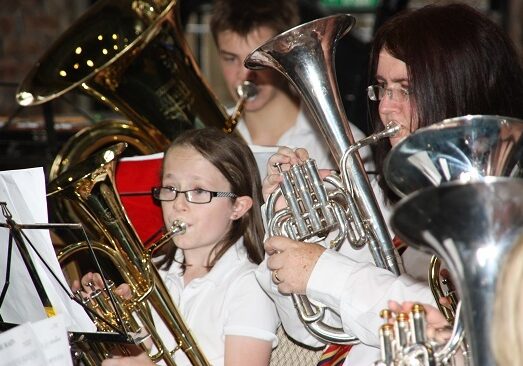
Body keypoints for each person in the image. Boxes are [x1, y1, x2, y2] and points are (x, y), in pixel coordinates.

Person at [255, 3, 523, 365]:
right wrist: (296, 237)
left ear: (458, 89)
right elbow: (314, 331)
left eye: (406, 89)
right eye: (382, 88)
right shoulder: (386, 202)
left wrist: (326, 271)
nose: (385, 109)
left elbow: (471, 326)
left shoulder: (509, 206)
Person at [75, 128, 279, 366]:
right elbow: (146, 353)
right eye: (170, 189)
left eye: (199, 190)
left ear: (238, 207)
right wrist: (116, 323)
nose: (178, 204)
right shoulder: (153, 273)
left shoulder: (250, 286)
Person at [209, 0, 372, 171]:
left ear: (286, 53)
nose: (244, 74)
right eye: (230, 58)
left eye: (259, 60)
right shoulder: (212, 135)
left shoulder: (344, 142)